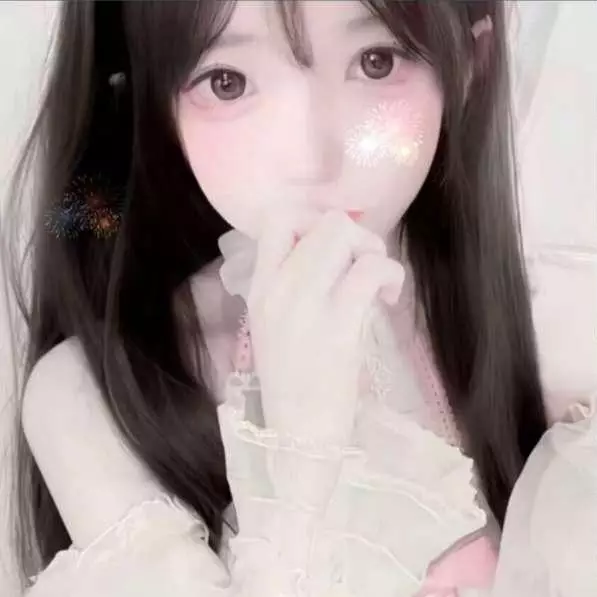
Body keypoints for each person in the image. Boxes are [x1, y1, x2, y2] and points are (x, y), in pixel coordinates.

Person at [1, 1, 594, 596]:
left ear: (469, 66)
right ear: (155, 105)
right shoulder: (93, 396)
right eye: (228, 82)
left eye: (377, 61)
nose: (311, 158)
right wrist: (299, 455)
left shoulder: (555, 335)